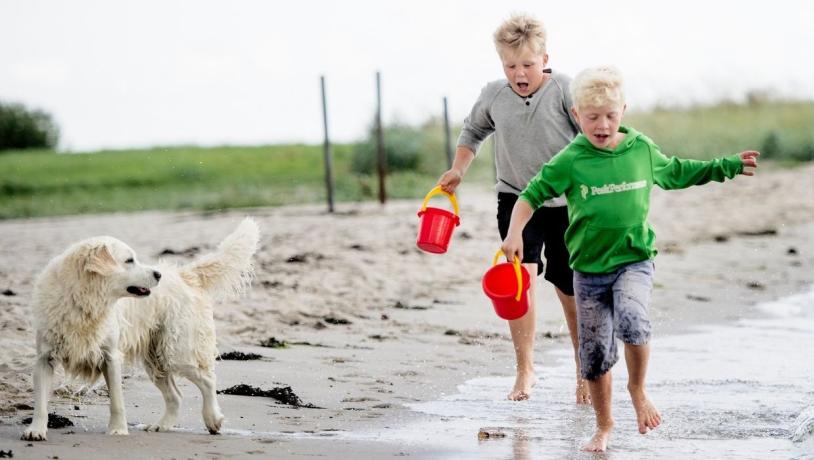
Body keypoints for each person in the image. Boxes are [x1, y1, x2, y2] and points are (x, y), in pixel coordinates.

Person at [500, 64, 759, 452]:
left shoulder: (641, 150)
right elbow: (530, 196)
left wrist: (727, 166)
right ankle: (604, 425)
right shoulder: (571, 159)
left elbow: (678, 172)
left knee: (633, 320)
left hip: (635, 259)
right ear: (576, 116)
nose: (602, 125)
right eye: (592, 118)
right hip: (586, 270)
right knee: (594, 355)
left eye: (609, 115)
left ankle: (637, 390)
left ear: (623, 110)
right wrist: (514, 232)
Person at [437, 13, 588, 403]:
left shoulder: (564, 90)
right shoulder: (494, 94)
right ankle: (525, 370)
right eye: (510, 66)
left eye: (527, 64)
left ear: (545, 59)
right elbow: (472, 131)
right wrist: (458, 168)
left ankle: (582, 368)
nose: (519, 73)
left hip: (565, 201)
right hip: (516, 198)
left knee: (569, 285)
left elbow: (591, 136)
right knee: (519, 280)